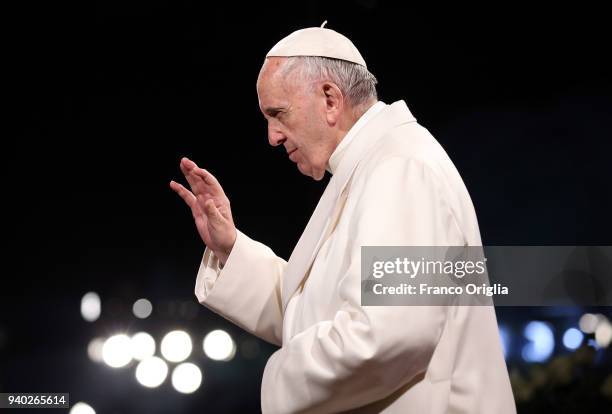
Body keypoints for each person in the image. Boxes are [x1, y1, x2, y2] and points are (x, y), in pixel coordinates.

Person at [170, 24, 516, 414]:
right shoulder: (371, 167)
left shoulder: (400, 166)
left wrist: (276, 379)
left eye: (278, 114)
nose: (272, 136)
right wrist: (230, 246)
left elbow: (390, 333)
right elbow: (312, 313)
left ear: (330, 99)